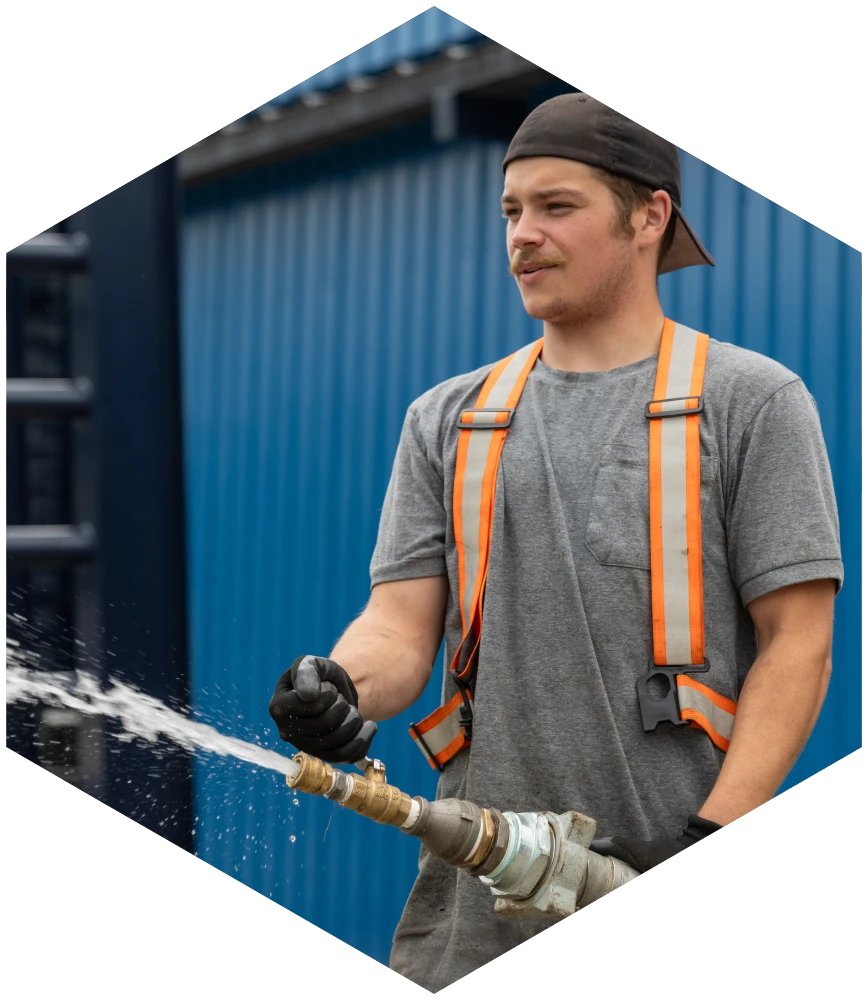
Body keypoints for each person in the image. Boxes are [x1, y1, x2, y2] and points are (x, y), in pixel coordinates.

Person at [268, 94, 842, 991]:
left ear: (650, 216)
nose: (522, 236)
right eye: (511, 212)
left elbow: (799, 646)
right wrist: (341, 690)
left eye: (556, 207)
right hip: (470, 931)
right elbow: (399, 628)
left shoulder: (752, 403)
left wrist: (711, 848)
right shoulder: (448, 419)